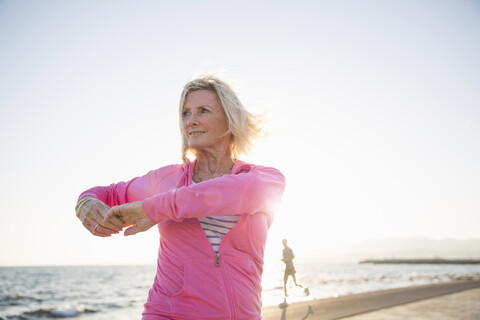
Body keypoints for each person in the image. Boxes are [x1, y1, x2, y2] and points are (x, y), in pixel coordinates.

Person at [75, 76, 286, 320]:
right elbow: (107, 193)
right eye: (185, 113)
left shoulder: (263, 178)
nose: (190, 121)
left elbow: (221, 195)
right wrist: (86, 204)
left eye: (203, 111)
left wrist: (152, 209)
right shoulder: (164, 179)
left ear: (230, 120)